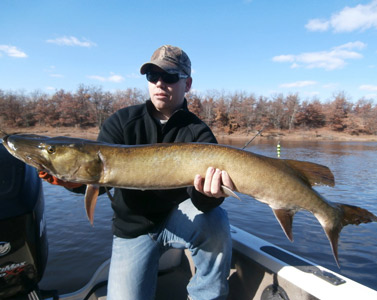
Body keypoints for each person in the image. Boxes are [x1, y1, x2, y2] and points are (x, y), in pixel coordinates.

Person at [40, 45, 233, 300]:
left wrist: (211, 194)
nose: (160, 83)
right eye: (153, 76)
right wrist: (71, 183)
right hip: (133, 230)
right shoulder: (121, 122)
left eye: (170, 76)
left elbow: (201, 202)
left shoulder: (198, 133)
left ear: (187, 84)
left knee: (216, 221)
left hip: (177, 219)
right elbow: (101, 179)